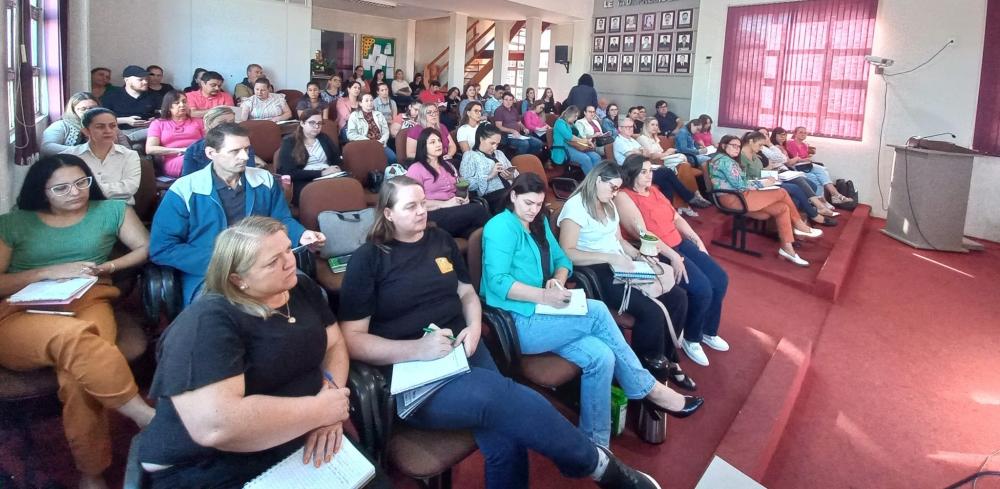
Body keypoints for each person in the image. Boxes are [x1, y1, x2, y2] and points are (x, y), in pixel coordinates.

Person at [338, 176, 662, 489]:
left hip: (464, 347)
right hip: (415, 370)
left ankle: (589, 460)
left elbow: (467, 292)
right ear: (388, 213)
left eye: (423, 203)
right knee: (504, 399)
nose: (422, 211)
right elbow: (352, 339)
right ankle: (596, 464)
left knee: (507, 439)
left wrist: (474, 327)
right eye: (411, 207)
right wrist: (418, 349)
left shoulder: (439, 240)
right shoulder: (369, 259)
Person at [139, 216, 389, 489]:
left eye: (288, 249)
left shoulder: (299, 288)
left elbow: (335, 344)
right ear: (238, 279)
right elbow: (217, 426)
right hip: (212, 462)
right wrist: (319, 411)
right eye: (272, 262)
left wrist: (330, 397)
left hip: (297, 430)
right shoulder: (207, 323)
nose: (289, 262)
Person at [482, 172, 704, 448]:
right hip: (518, 320)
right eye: (528, 203)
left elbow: (562, 259)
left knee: (602, 356)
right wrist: (544, 295)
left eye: (538, 204)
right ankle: (649, 389)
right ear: (513, 196)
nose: (533, 210)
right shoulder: (499, 227)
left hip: (547, 309)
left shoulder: (537, 222)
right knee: (597, 311)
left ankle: (597, 445)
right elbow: (498, 281)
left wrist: (557, 280)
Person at [0, 154, 155, 489]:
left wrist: (108, 267)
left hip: (89, 298)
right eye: (62, 188)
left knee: (78, 377)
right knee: (78, 339)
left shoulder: (112, 210)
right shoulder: (13, 223)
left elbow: (145, 248)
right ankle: (143, 415)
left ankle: (91, 471)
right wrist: (45, 272)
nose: (75, 192)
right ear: (41, 191)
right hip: (20, 310)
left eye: (81, 182)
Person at [150, 123, 325, 305]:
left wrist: (301, 234)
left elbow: (281, 219)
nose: (245, 157)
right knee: (229, 313)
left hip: (268, 263)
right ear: (211, 153)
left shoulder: (264, 180)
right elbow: (163, 248)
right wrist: (225, 262)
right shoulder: (184, 190)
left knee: (313, 297)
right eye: (235, 151)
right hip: (210, 273)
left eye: (246, 149)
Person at [557, 162, 698, 384]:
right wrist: (610, 257)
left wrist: (639, 256)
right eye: (612, 187)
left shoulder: (608, 203)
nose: (615, 193)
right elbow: (567, 252)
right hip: (594, 271)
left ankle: (666, 358)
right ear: (597, 180)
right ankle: (644, 374)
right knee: (651, 311)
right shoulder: (576, 207)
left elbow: (619, 240)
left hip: (618, 263)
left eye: (617, 188)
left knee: (679, 297)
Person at [616, 154, 730, 367]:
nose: (649, 175)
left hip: (679, 242)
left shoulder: (655, 191)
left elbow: (676, 218)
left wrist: (696, 239)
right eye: (643, 172)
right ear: (631, 173)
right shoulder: (624, 196)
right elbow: (643, 233)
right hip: (658, 250)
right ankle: (691, 337)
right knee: (702, 288)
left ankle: (708, 330)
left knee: (720, 279)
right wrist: (673, 255)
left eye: (650, 171)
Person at [709, 135, 821, 267]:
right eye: (734, 146)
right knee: (782, 192)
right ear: (723, 146)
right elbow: (741, 185)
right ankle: (799, 224)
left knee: (782, 208)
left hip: (740, 195)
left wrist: (761, 182)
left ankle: (787, 249)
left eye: (739, 146)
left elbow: (742, 182)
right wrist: (763, 184)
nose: (737, 149)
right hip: (733, 198)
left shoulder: (728, 159)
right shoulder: (724, 161)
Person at [406, 127, 489, 239]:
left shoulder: (448, 165)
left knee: (477, 234)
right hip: (433, 213)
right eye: (432, 142)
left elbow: (461, 185)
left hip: (455, 210)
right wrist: (445, 204)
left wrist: (465, 197)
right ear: (423, 146)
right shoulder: (416, 169)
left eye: (439, 141)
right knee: (477, 209)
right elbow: (413, 202)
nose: (438, 144)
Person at [757, 128, 838, 225]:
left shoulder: (767, 147)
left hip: (782, 171)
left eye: (766, 134)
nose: (764, 137)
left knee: (812, 184)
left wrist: (770, 145)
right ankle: (815, 211)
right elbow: (776, 162)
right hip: (771, 175)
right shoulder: (759, 149)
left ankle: (808, 214)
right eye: (761, 134)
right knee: (798, 185)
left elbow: (782, 159)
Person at [61, 108, 142, 205]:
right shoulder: (70, 156)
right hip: (81, 208)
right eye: (100, 127)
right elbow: (66, 188)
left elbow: (130, 188)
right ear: (86, 131)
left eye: (113, 126)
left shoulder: (130, 155)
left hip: (119, 207)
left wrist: (86, 190)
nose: (108, 131)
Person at [635, 117, 712, 215]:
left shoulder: (655, 138)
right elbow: (651, 156)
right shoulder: (642, 138)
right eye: (652, 125)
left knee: (684, 165)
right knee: (684, 166)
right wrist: (667, 153)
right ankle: (692, 198)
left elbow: (660, 153)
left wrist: (668, 153)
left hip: (664, 161)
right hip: (655, 164)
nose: (655, 127)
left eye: (656, 125)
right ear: (646, 126)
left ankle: (687, 201)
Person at [278, 109, 343, 205]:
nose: (316, 127)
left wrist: (336, 169)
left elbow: (336, 160)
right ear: (302, 123)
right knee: (326, 195)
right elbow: (289, 172)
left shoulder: (324, 138)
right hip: (304, 181)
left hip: (328, 176)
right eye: (312, 123)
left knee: (348, 187)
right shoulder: (289, 141)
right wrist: (321, 173)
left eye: (319, 123)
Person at [785, 126, 855, 206]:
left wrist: (806, 159)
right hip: (796, 167)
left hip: (806, 165)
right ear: (795, 133)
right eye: (800, 132)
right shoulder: (790, 143)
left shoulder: (805, 145)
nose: (803, 134)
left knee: (823, 170)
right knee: (814, 177)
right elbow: (793, 159)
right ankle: (822, 200)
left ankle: (835, 195)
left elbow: (805, 158)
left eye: (805, 133)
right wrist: (803, 159)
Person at [41, 91, 126, 156]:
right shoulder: (61, 125)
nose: (88, 111)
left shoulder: (108, 125)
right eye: (83, 109)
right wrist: (83, 150)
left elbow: (125, 149)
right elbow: (47, 147)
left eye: (93, 108)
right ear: (73, 111)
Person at [181, 106, 259, 176]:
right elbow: (187, 180)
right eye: (222, 123)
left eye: (232, 122)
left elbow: (249, 175)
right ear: (209, 124)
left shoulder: (244, 146)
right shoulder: (193, 150)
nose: (228, 126)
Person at [146, 91, 206, 178]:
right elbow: (150, 149)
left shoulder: (198, 121)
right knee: (191, 159)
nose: (182, 105)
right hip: (173, 160)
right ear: (168, 106)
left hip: (199, 154)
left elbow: (208, 141)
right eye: (177, 103)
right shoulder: (158, 123)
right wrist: (180, 150)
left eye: (184, 102)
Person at [460, 123, 517, 212]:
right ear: (481, 139)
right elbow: (465, 184)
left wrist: (511, 176)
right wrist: (490, 176)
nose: (495, 147)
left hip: (509, 191)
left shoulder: (499, 154)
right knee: (511, 197)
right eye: (492, 143)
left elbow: (516, 173)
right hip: (491, 196)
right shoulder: (470, 156)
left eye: (497, 144)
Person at [100, 65, 155, 139]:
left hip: (147, 131)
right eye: (140, 80)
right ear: (127, 80)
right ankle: (129, 139)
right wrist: (126, 120)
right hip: (121, 131)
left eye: (146, 79)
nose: (145, 82)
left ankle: (130, 139)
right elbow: (101, 118)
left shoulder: (153, 95)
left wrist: (154, 120)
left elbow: (162, 115)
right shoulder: (112, 95)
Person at [347, 93, 397, 164]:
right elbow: (351, 134)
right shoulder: (354, 115)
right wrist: (368, 141)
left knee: (393, 158)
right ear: (360, 103)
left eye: (371, 100)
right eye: (367, 101)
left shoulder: (379, 114)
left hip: (380, 144)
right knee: (373, 162)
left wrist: (381, 141)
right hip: (364, 145)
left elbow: (386, 131)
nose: (370, 103)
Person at [552, 105, 601, 174]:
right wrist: (584, 141)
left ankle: (597, 177)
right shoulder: (559, 122)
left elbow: (579, 136)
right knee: (585, 159)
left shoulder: (571, 124)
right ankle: (591, 179)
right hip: (563, 148)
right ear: (569, 114)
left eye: (577, 116)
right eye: (575, 116)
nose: (576, 118)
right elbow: (569, 137)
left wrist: (588, 142)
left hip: (575, 146)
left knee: (596, 157)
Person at [494, 92, 544, 157]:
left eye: (510, 100)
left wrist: (524, 128)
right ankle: (517, 160)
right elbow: (498, 127)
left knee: (538, 143)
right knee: (525, 144)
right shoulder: (499, 110)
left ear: (513, 101)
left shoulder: (514, 110)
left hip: (518, 134)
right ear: (502, 100)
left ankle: (528, 158)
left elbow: (519, 123)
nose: (508, 102)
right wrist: (512, 131)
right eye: (506, 99)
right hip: (506, 136)